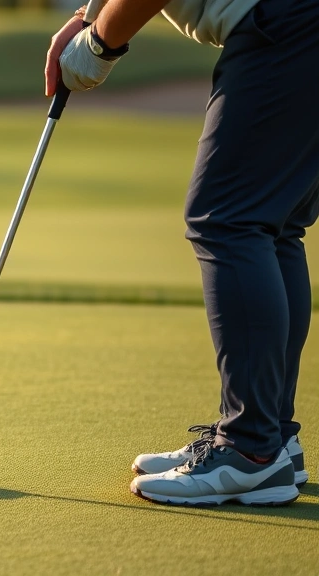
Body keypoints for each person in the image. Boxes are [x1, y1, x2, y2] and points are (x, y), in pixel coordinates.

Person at [45, 0, 318, 506]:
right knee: (273, 227)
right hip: (298, 25)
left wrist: (100, 44)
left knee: (228, 220)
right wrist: (89, 18)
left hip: (286, 25)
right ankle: (272, 438)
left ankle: (250, 449)